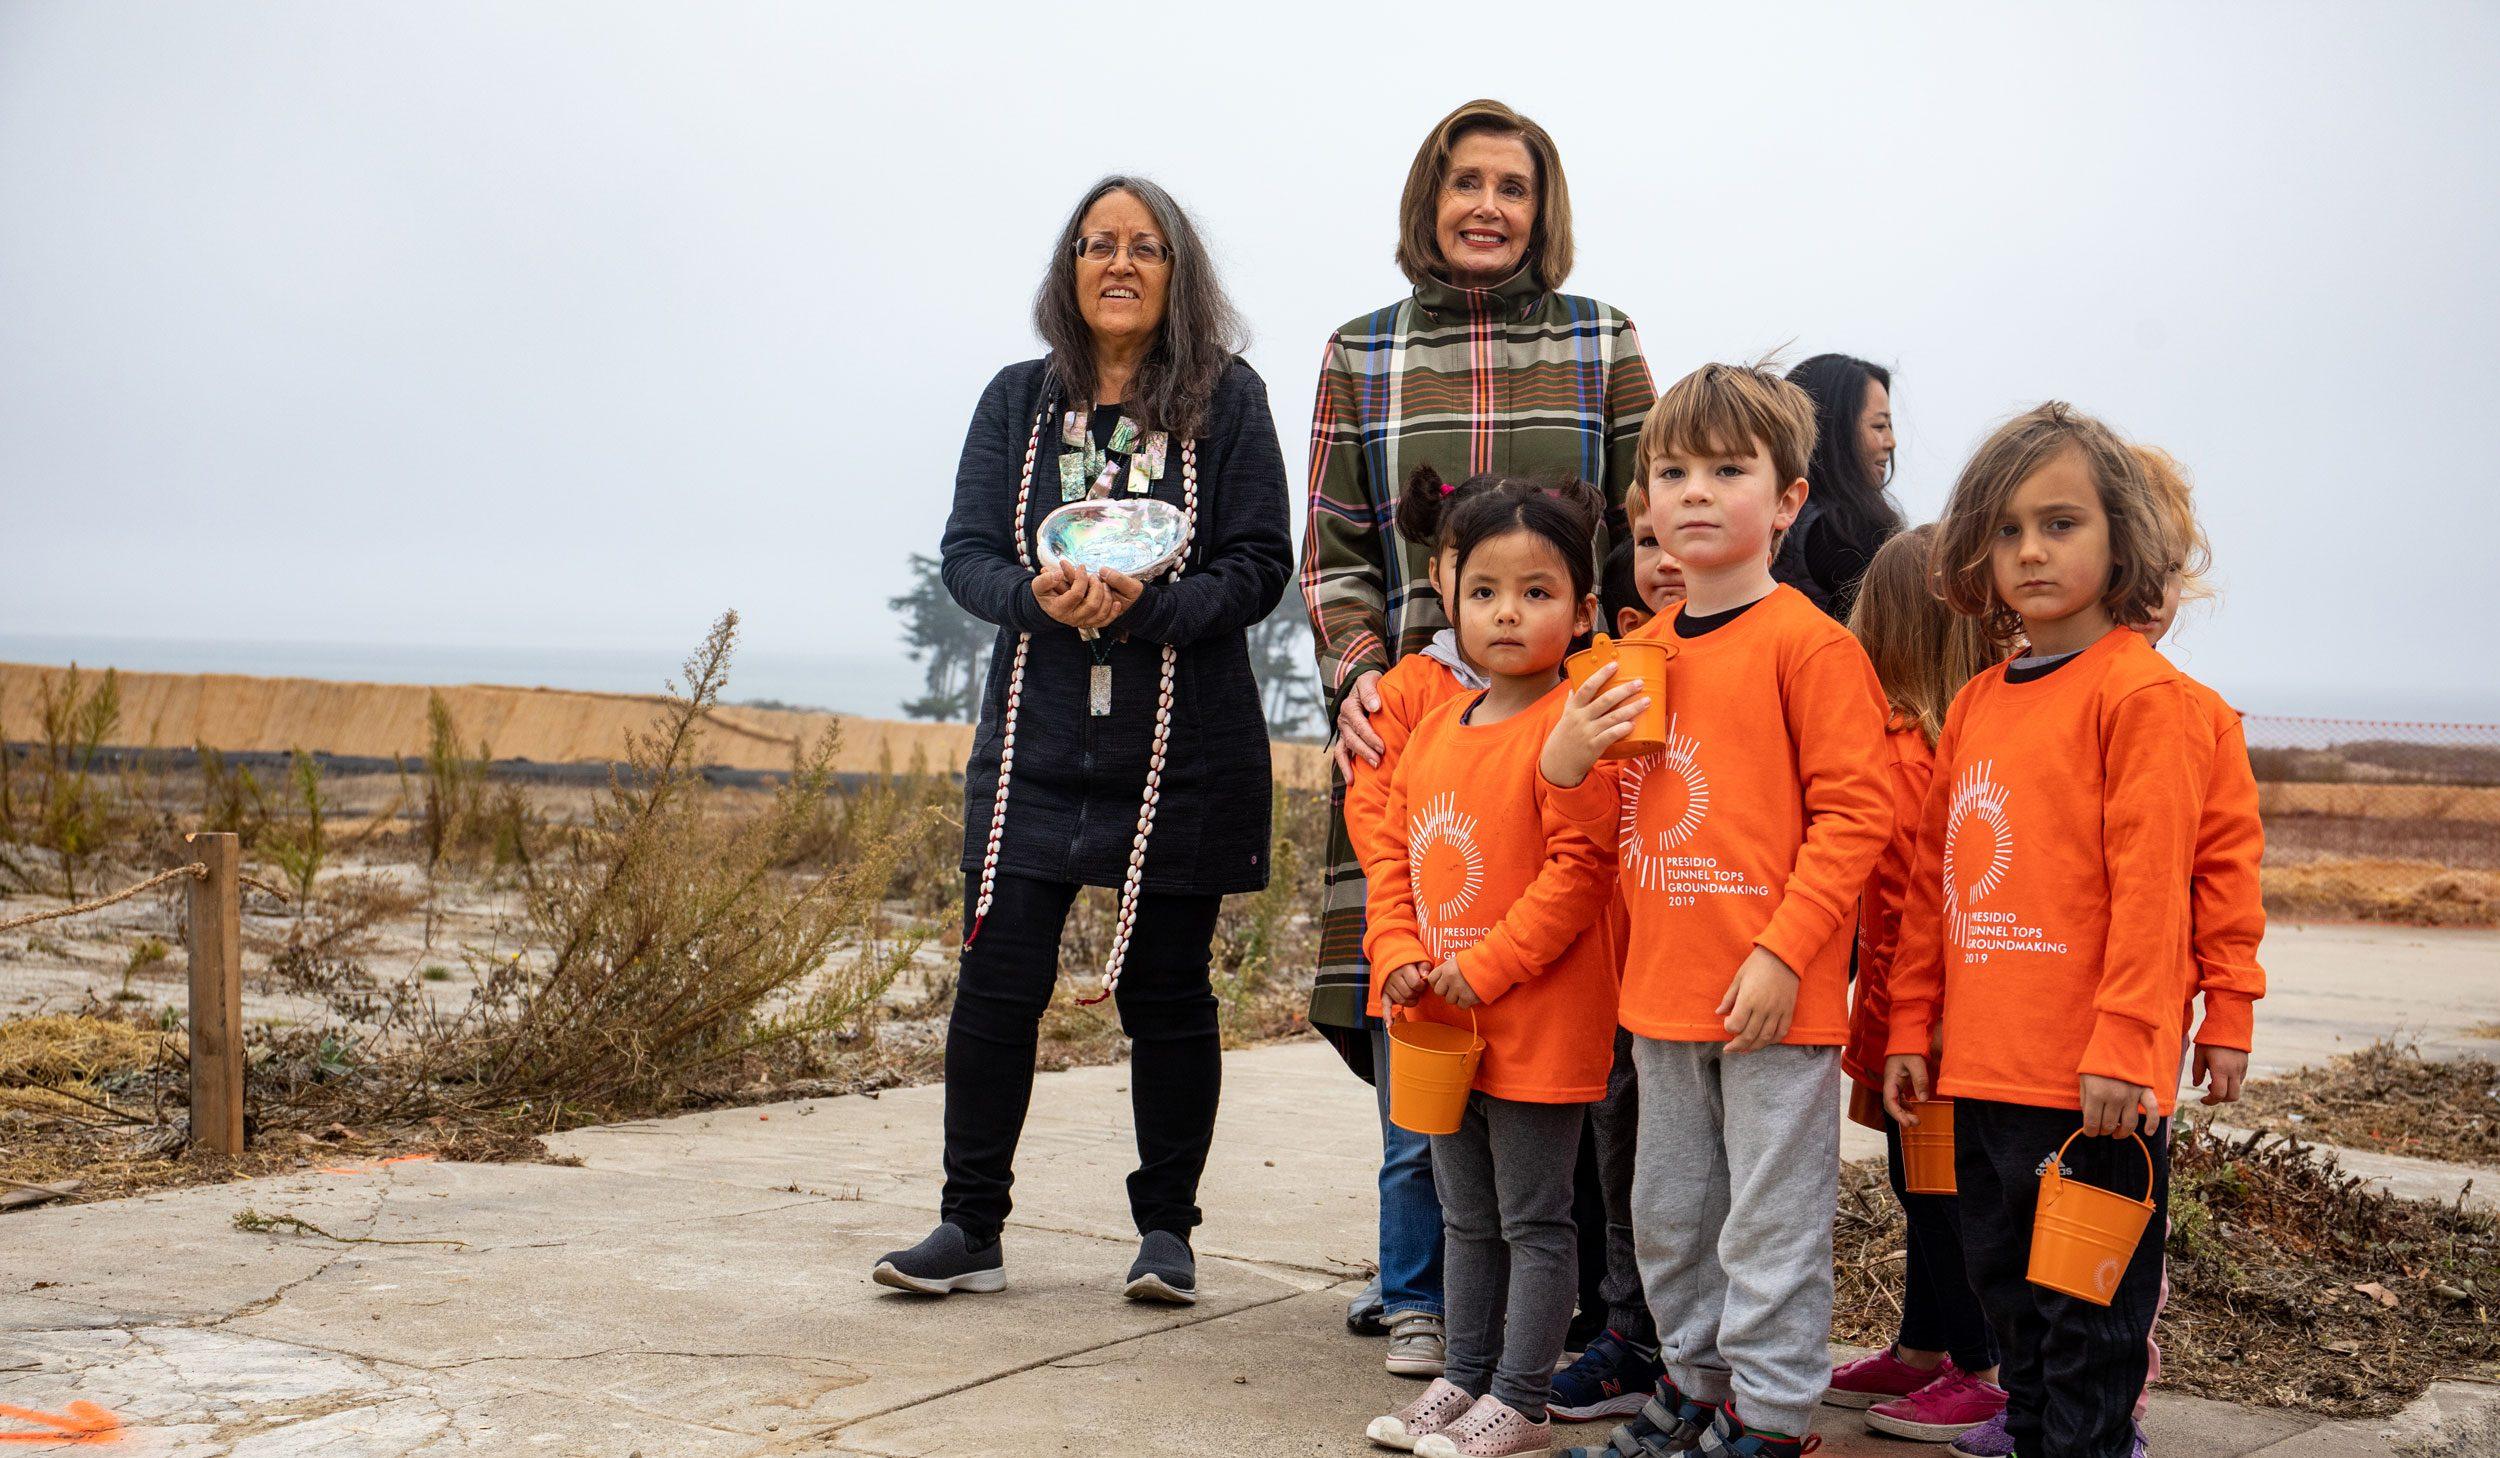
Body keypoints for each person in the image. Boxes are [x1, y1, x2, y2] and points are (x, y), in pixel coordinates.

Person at [874, 175, 1290, 1305]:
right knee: (996, 982)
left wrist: (1148, 610)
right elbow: (966, 550)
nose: (1119, 263)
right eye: (1097, 245)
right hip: (1037, 742)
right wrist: (1034, 598)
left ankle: (1166, 1236)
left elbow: (1259, 565)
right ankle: (971, 1231)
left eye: (1144, 247)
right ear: (1068, 269)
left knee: (1168, 993)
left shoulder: (1228, 399)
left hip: (1182, 745)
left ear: (1176, 273)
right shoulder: (1015, 401)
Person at [1303, 107, 1654, 1323]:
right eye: (1466, 183)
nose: (1488, 207)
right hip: (1414, 730)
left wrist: (1623, 684)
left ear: (1542, 208)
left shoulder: (1603, 342)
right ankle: (1425, 1293)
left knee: (1563, 1011)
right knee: (1411, 995)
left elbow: (1642, 523)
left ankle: (1560, 1305)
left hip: (1568, 732)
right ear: (1428, 198)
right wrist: (1354, 675)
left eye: (1513, 186)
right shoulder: (1362, 351)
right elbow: (1334, 550)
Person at [1544, 362, 1895, 1458]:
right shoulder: (1631, 656)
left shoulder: (1810, 648)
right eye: (1670, 471)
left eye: (1727, 470)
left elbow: (1855, 816)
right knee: (1669, 1216)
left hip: (1770, 1003)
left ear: (1786, 500)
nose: (1693, 492)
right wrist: (1563, 750)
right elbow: (1589, 810)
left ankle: (1773, 1414)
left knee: (1768, 1224)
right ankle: (1695, 1391)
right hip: (1658, 996)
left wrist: (1787, 955)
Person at [1883, 404, 2207, 1458]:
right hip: (1978, 1076)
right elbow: (1939, 885)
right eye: (2008, 527)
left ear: (2121, 537)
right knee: (2008, 1309)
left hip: (2087, 1093)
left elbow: (2152, 890)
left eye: (2061, 523)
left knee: (2089, 1335)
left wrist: (2125, 1046)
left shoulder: (2140, 696)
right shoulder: (1978, 701)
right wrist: (1909, 1029)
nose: (2029, 550)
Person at [1362, 478, 1624, 1458]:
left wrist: (1488, 964)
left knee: (1534, 1221)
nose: (1508, 612)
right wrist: (1394, 953)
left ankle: (1519, 1397)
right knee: (1464, 1216)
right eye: (1485, 592)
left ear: (1583, 610)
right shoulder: (1433, 727)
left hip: (1537, 1025)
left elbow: (1579, 873)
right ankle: (1462, 1379)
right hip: (1440, 1029)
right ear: (1449, 600)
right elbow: (1391, 855)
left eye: (1537, 591)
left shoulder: (1573, 733)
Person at [1821, 525, 2008, 1443]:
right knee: (1917, 1181)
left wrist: (1906, 1026)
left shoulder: (1897, 755)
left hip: (1922, 1018)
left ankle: (1980, 1365)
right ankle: (1924, 1343)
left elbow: (1904, 901)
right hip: (1921, 1014)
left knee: (1938, 1191)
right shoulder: (1962, 739)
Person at [1341, 465, 1505, 1378]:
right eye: (1471, 572)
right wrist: (1400, 942)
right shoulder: (1403, 691)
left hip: (1512, 968)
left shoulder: (1569, 680)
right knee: (1415, 1144)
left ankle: (1501, 1305)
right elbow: (1375, 821)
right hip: (1412, 960)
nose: (1503, 604)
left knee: (1510, 1148)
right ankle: (1413, 1302)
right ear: (1440, 575)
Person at [1547, 473, 1681, 1423]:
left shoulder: (1767, 654)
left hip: (1712, 973)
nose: (1668, 558)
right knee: (1623, 1164)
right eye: (1647, 541)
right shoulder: (1602, 672)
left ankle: (1702, 1359)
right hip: (1619, 974)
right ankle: (1630, 1337)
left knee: (1706, 1190)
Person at [1774, 354, 1904, 618]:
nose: (1890, 442)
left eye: (1890, 426)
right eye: (1879, 425)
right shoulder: (1849, 531)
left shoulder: (1768, 520)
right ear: (1835, 431)